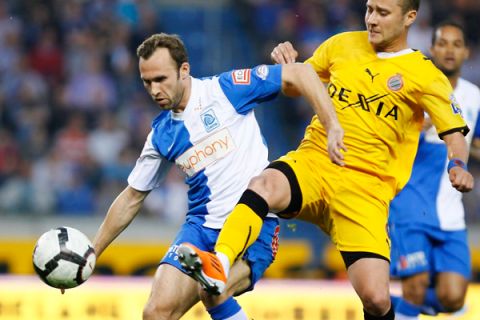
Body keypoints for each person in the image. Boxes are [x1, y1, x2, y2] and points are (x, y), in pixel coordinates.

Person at [178, 1, 475, 320]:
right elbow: (299, 83)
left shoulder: (425, 75)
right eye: (369, 9)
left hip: (366, 192)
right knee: (263, 184)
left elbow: (454, 133)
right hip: (315, 163)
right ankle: (218, 263)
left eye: (382, 13)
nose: (372, 19)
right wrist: (288, 64)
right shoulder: (341, 44)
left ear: (410, 18)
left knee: (376, 298)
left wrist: (457, 165)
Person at [91, 33, 344, 320]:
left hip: (253, 223)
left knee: (213, 289)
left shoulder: (225, 90)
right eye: (147, 82)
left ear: (184, 70)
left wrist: (332, 125)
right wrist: (92, 253)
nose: (154, 89)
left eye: (161, 79)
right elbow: (132, 198)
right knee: (155, 313)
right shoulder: (160, 135)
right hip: (200, 230)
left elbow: (299, 72)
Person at [389, 21, 480, 319]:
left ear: (466, 52)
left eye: (457, 44)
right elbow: (387, 138)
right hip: (411, 203)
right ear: (432, 49)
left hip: (450, 210)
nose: (450, 50)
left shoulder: (474, 97)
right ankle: (402, 302)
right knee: (414, 287)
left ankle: (394, 306)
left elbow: (474, 143)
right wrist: (413, 129)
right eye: (443, 43)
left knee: (453, 298)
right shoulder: (415, 88)